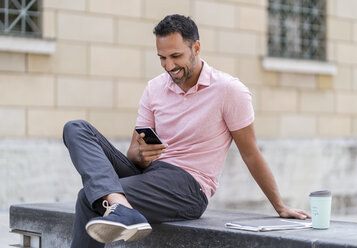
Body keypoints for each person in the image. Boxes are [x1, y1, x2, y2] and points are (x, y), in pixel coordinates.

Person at [63, 14, 310, 248]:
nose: (169, 66)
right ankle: (120, 205)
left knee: (89, 196)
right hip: (151, 173)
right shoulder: (154, 88)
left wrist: (280, 206)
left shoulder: (228, 90)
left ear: (196, 48)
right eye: (162, 57)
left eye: (175, 56)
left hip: (189, 187)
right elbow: (132, 156)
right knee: (75, 128)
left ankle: (120, 206)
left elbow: (251, 153)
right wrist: (142, 155)